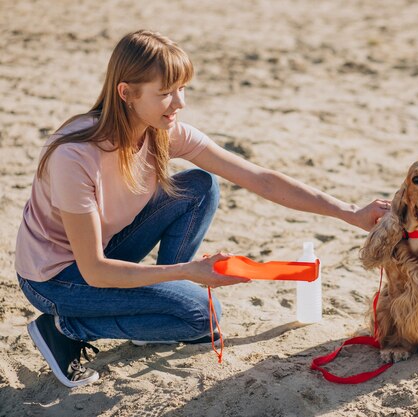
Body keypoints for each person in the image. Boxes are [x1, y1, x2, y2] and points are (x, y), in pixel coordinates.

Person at [14, 30, 389, 388]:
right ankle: (65, 329)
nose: (180, 103)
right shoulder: (75, 156)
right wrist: (190, 272)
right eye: (166, 93)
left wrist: (350, 212)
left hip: (106, 250)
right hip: (56, 278)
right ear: (126, 93)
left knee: (200, 186)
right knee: (203, 317)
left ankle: (158, 305)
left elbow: (261, 179)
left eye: (182, 89)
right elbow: (94, 270)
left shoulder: (163, 131)